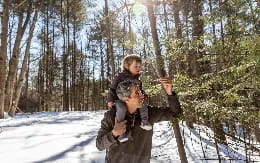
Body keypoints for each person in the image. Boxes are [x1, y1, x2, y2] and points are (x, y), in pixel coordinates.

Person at [96, 77, 182, 163]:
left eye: (140, 91)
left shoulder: (148, 114)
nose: (142, 95)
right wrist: (114, 134)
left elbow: (174, 113)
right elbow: (99, 145)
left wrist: (170, 93)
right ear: (126, 99)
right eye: (137, 93)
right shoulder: (111, 117)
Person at [107, 54, 152, 143]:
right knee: (121, 108)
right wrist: (110, 100)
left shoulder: (137, 79)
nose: (138, 68)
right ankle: (122, 132)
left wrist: (143, 95)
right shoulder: (120, 76)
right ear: (127, 66)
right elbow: (112, 88)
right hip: (120, 100)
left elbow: (140, 90)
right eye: (135, 66)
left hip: (133, 100)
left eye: (139, 66)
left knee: (143, 102)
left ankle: (144, 121)